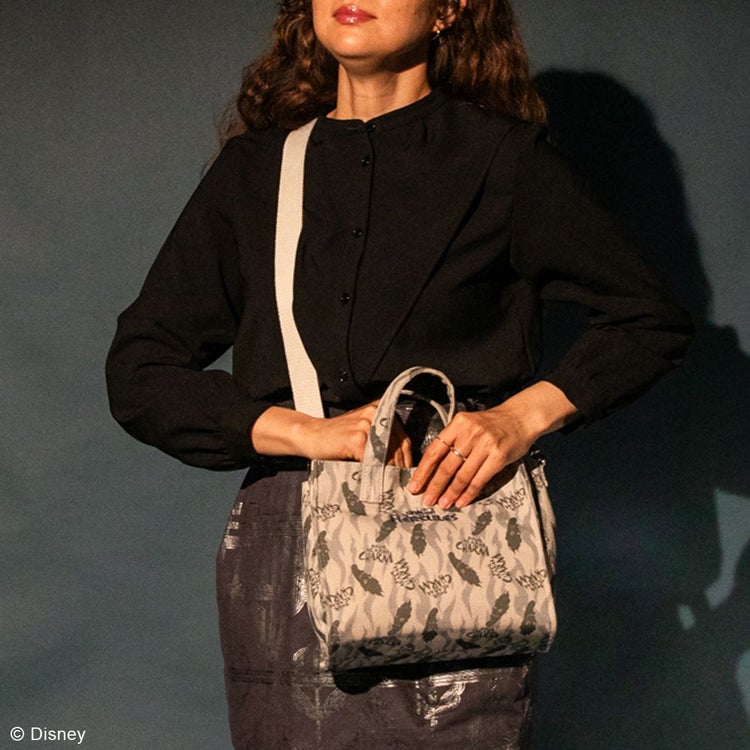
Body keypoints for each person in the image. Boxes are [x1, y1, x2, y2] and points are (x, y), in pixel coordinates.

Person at [106, 1, 692, 747]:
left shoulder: (504, 160)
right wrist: (302, 431)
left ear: (448, 8)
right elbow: (141, 368)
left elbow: (648, 319)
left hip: (456, 530)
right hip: (292, 558)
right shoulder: (256, 172)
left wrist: (519, 418)